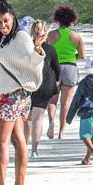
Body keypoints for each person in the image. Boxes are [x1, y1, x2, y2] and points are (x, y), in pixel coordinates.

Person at [0, 0, 46, 185]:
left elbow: (32, 60)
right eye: (0, 22)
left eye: (6, 21)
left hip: (12, 97)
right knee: (18, 139)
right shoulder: (2, 40)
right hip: (13, 97)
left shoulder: (20, 37)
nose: (3, 25)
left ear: (14, 19)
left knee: (2, 142)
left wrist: (38, 47)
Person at [46, 5, 86, 140]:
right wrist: (72, 56)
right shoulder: (76, 36)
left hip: (54, 67)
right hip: (70, 67)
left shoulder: (51, 35)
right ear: (71, 20)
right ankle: (62, 131)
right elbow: (82, 55)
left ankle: (51, 122)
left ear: (58, 19)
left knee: (52, 100)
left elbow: (44, 52)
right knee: (66, 103)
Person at [27, 19, 61, 159]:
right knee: (38, 118)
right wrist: (57, 82)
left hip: (28, 85)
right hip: (45, 85)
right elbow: (57, 70)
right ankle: (34, 149)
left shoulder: (26, 48)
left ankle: (23, 145)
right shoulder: (50, 49)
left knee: (27, 118)